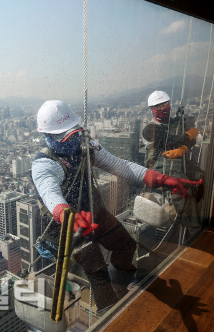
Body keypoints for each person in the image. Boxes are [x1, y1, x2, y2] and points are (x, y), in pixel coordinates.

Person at [31, 100, 202, 312]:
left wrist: (160, 179)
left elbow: (120, 166)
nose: (69, 139)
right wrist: (67, 215)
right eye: (61, 136)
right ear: (47, 137)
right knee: (97, 271)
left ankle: (122, 285)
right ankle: (111, 313)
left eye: (73, 132)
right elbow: (50, 194)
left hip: (95, 214)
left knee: (126, 246)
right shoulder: (45, 164)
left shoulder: (86, 148)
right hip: (68, 228)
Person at [142, 91, 202, 180]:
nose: (161, 109)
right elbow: (173, 140)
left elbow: (192, 141)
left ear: (169, 104)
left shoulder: (175, 123)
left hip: (178, 166)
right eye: (157, 106)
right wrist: (189, 134)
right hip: (157, 171)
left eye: (164, 105)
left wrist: (182, 149)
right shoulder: (150, 129)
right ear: (152, 108)